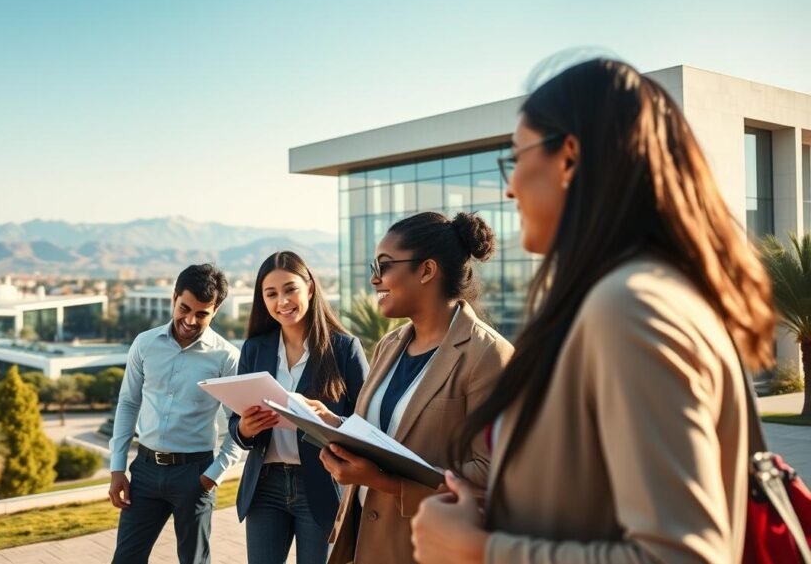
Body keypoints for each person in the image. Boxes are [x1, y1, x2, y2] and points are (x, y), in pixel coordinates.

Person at [410, 58, 776, 564]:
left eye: (515, 158)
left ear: (569, 158)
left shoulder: (628, 307)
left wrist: (480, 550)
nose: (510, 187)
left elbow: (682, 555)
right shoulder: (647, 292)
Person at [309, 211, 513, 564]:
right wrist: (334, 425)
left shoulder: (488, 355)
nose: (375, 279)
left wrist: (382, 481)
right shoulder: (389, 345)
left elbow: (492, 478)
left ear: (426, 270)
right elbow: (385, 436)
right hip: (363, 544)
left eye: (384, 265)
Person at [227, 251, 369, 564]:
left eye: (290, 289)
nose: (282, 301)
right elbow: (236, 425)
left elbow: (369, 424)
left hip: (321, 483)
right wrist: (244, 429)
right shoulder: (254, 348)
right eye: (271, 293)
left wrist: (330, 420)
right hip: (265, 487)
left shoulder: (344, 348)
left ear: (310, 288)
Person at [108, 263, 244, 564]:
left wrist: (213, 475)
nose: (190, 320)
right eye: (185, 308)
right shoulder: (144, 344)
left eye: (202, 313)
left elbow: (241, 424)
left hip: (195, 474)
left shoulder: (227, 358)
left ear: (216, 311)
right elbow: (129, 403)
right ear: (174, 298)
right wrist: (118, 468)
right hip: (143, 471)